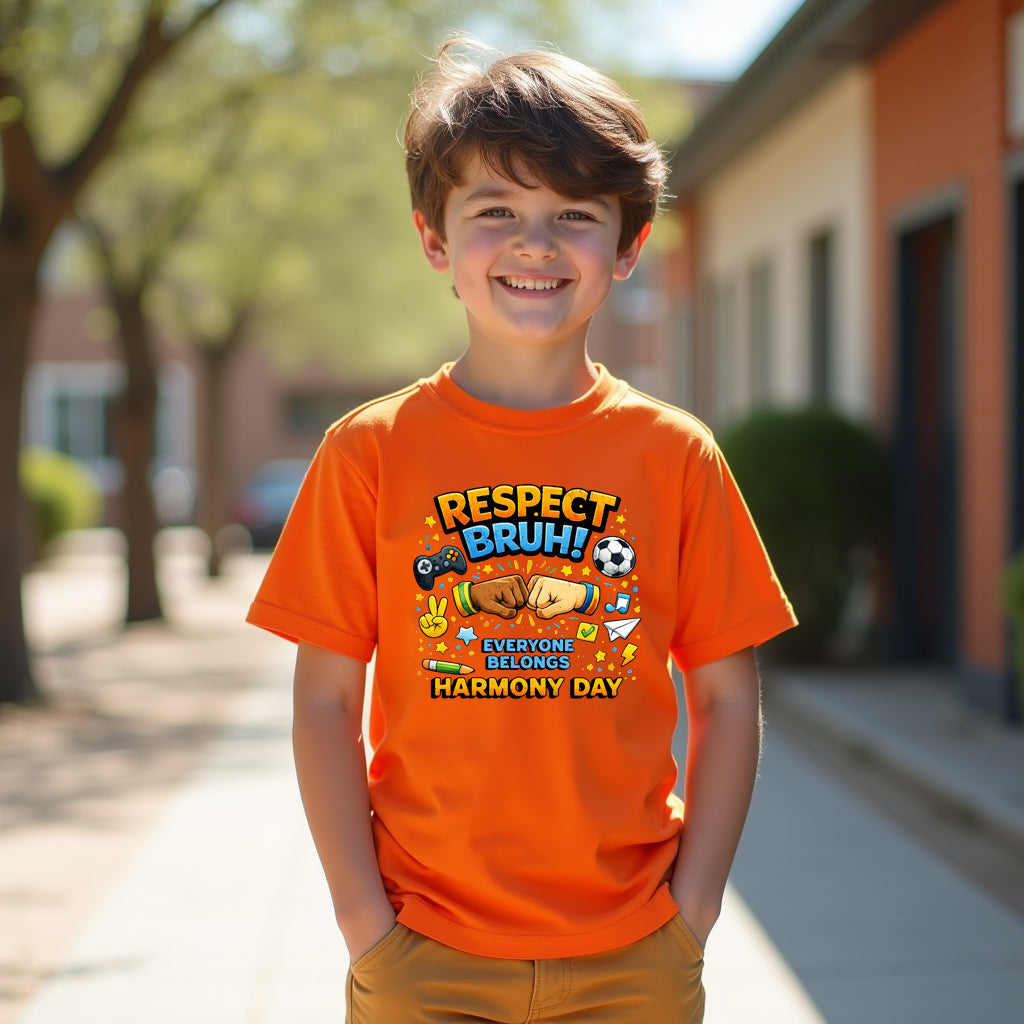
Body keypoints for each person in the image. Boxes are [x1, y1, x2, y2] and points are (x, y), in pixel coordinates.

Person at [247, 36, 796, 1024]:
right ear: (434, 239)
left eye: (573, 217)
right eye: (494, 212)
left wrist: (694, 909)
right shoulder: (367, 452)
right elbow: (325, 701)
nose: (534, 245)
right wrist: (362, 922)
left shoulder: (674, 455)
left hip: (634, 953)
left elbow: (722, 694)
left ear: (627, 246)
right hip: (423, 951)